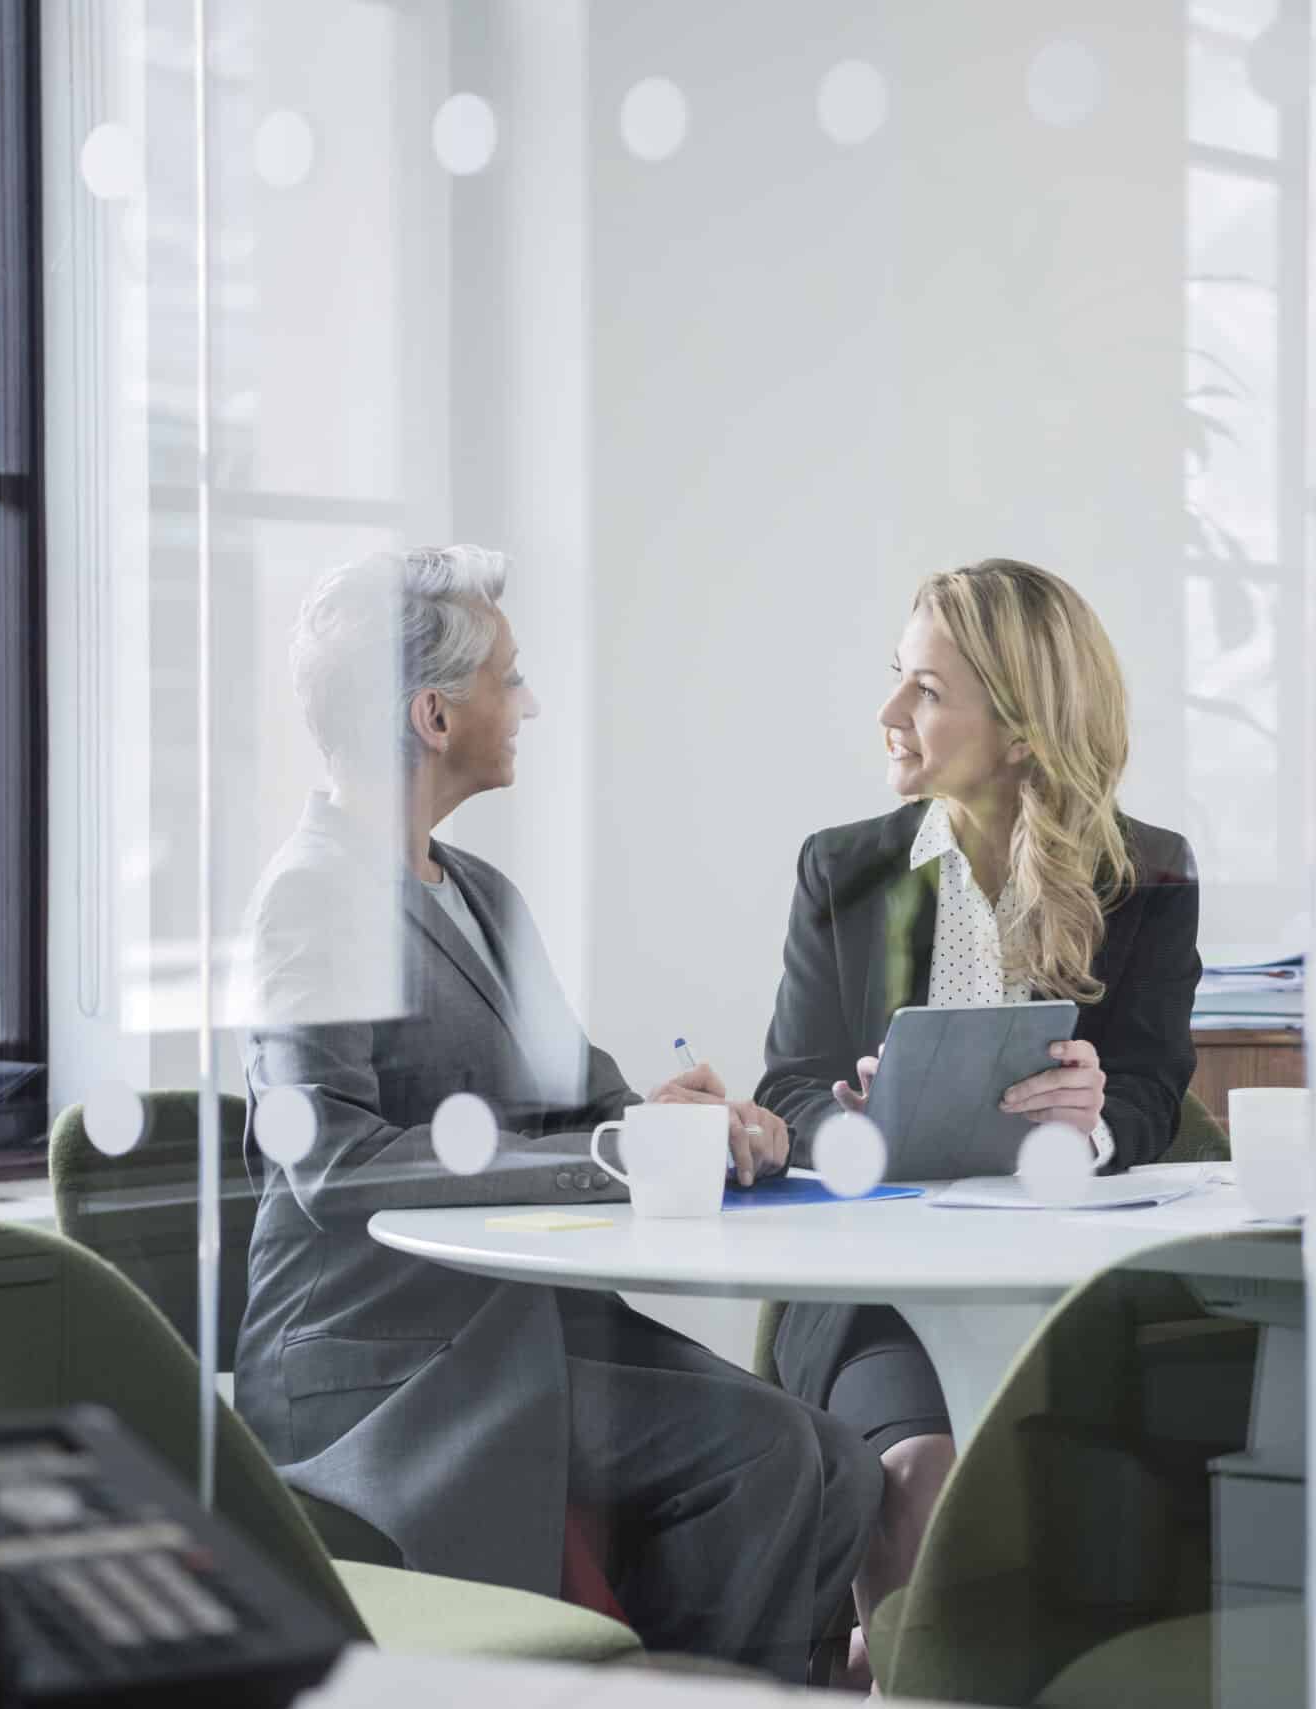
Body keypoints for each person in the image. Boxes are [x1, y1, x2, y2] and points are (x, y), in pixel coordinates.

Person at [234, 547, 879, 1683]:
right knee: (767, 1453)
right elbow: (328, 1162)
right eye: (507, 679)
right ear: (433, 715)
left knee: (839, 1456)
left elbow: (586, 1103)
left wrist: (687, 1125)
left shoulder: (482, 894)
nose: (525, 703)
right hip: (388, 1354)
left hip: (513, 1327)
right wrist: (608, 1153)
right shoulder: (312, 894)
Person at [756, 558, 1201, 1675]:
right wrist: (845, 1119)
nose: (889, 714)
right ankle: (908, 1675)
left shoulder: (1145, 875)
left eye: (925, 690)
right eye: (897, 680)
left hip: (1069, 1278)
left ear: (1019, 727)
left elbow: (1152, 1088)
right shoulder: (844, 869)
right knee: (919, 1464)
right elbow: (788, 1086)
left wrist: (1090, 1123)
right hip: (875, 1278)